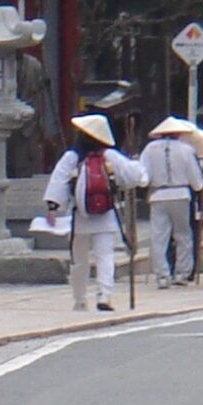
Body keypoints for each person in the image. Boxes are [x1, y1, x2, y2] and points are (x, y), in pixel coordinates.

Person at [45, 113, 148, 313]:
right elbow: (134, 177)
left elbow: (58, 181)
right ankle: (104, 294)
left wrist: (53, 207)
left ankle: (80, 299)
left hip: (79, 216)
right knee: (105, 256)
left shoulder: (72, 157)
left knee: (79, 260)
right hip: (106, 215)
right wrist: (136, 166)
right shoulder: (110, 156)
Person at [140, 115, 203, 287]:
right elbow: (196, 181)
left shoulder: (149, 149)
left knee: (159, 235)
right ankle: (182, 272)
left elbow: (143, 177)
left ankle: (162, 274)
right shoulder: (186, 149)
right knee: (183, 234)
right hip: (180, 193)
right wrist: (199, 186)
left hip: (158, 194)